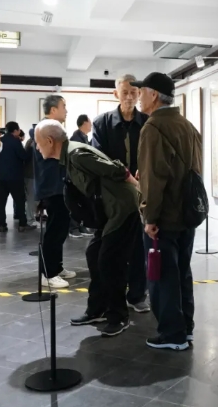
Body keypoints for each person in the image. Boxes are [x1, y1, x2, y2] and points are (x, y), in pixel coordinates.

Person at [34, 119, 140, 337]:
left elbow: (117, 169)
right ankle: (97, 309)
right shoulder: (70, 155)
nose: (37, 147)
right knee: (94, 254)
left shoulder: (76, 154)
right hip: (110, 211)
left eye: (38, 142)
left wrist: (139, 188)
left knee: (109, 261)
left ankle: (119, 316)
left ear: (50, 141)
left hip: (122, 209)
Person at [135, 72, 201, 351]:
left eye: (141, 91)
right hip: (188, 213)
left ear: (153, 95)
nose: (138, 97)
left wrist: (149, 217)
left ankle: (172, 334)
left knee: (162, 277)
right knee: (182, 272)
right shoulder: (187, 125)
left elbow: (154, 177)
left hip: (165, 217)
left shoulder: (153, 127)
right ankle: (185, 328)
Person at [91, 75, 150, 313]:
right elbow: (98, 159)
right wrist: (124, 177)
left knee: (138, 247)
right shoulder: (102, 123)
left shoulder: (147, 122)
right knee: (111, 247)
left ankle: (137, 294)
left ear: (139, 94)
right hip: (112, 196)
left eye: (134, 92)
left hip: (140, 195)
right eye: (125, 92)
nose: (129, 97)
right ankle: (111, 298)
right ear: (116, 94)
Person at [31, 95, 76, 289]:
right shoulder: (42, 131)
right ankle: (47, 273)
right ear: (53, 109)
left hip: (59, 186)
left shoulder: (55, 131)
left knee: (61, 229)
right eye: (63, 106)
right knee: (54, 231)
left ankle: (56, 267)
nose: (66, 110)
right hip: (52, 187)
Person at [0, 122, 36, 233]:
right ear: (16, 131)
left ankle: (2, 225)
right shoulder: (16, 141)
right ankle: (22, 224)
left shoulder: (1, 140)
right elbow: (23, 156)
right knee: (19, 200)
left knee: (1, 201)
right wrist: (30, 149)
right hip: (15, 176)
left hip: (1, 176)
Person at [69, 114, 94, 239]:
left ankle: (81, 226)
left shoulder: (83, 137)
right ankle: (73, 228)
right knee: (75, 203)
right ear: (84, 123)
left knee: (83, 202)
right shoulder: (76, 138)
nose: (91, 125)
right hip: (76, 176)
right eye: (89, 122)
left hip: (83, 176)